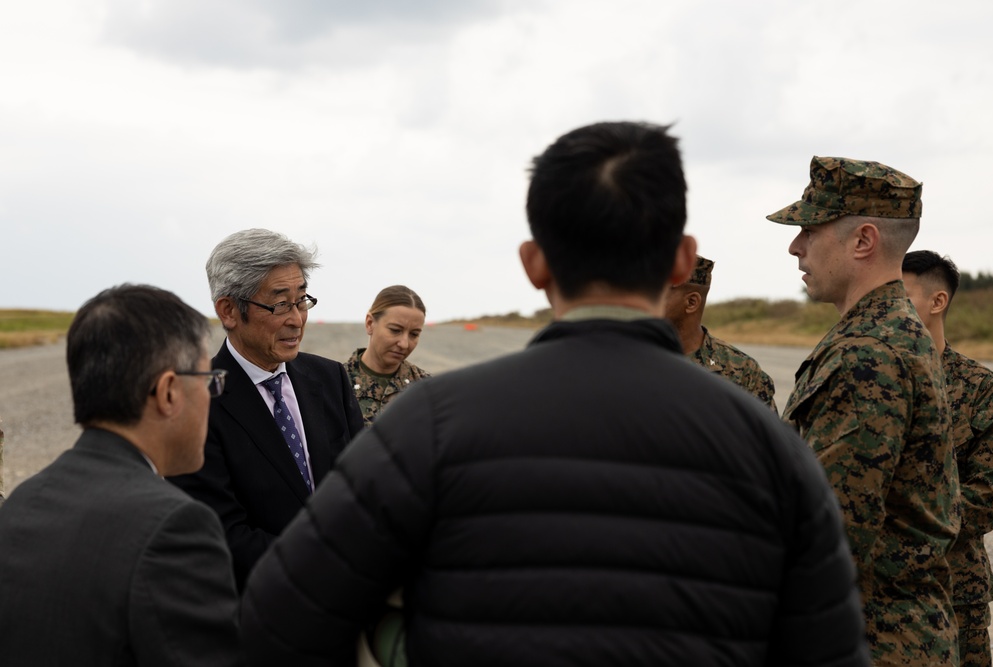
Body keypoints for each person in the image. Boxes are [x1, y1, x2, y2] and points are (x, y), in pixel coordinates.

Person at [240, 122, 868, 666]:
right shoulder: (772, 449)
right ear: (682, 260)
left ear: (534, 263)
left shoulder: (428, 424)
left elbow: (279, 622)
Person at [767, 157, 959, 665]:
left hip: (874, 641)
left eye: (810, 230)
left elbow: (831, 533)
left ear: (862, 241)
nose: (795, 246)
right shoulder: (888, 333)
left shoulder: (868, 352)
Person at [0, 284, 242, 666]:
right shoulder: (174, 527)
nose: (211, 398)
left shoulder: (22, 502)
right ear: (168, 392)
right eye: (208, 381)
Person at [167, 228, 364, 590]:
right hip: (261, 610)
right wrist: (324, 564)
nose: (296, 319)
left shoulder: (330, 378)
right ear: (228, 310)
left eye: (302, 300)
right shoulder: (195, 402)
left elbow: (365, 485)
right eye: (279, 304)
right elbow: (221, 533)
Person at [902, 250, 993, 667]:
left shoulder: (980, 389)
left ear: (937, 301)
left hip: (954, 590)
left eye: (899, 296)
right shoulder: (866, 376)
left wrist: (900, 522)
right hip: (873, 592)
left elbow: (987, 498)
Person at [662, 254, 777, 411]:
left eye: (656, 293)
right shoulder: (627, 358)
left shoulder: (742, 371)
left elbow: (764, 435)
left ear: (691, 303)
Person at [345, 285, 431, 426]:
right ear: (370, 323)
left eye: (414, 334)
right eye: (395, 330)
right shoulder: (337, 384)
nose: (404, 344)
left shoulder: (426, 389)